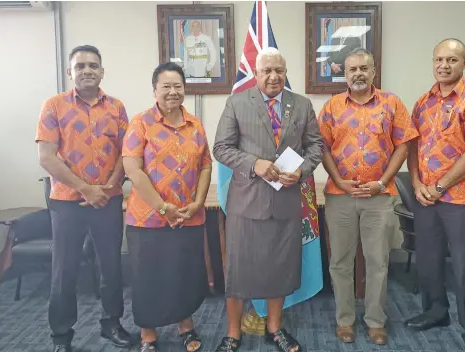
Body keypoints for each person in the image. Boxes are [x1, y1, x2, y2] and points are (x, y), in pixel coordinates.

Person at [212, 47, 323, 352]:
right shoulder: (236, 102)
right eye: (267, 71)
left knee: (280, 268)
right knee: (238, 270)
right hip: (246, 204)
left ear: (285, 73)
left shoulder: (301, 105)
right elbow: (221, 148)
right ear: (256, 74)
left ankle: (275, 327)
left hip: (286, 201)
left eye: (279, 71)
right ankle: (233, 332)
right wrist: (254, 164)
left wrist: (301, 171)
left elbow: (316, 147)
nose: (274, 76)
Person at [318, 47, 419, 345]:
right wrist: (338, 181)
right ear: (344, 74)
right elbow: (321, 146)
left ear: (374, 71)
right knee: (340, 262)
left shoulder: (392, 104)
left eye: (364, 68)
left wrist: (382, 181)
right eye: (353, 69)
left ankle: (376, 321)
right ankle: (345, 321)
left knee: (378, 261)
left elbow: (404, 144)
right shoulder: (332, 106)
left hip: (378, 196)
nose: (359, 73)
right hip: (340, 196)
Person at [35, 45, 132, 352]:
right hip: (67, 203)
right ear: (70, 72)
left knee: (111, 266)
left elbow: (126, 154)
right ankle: (61, 336)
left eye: (93, 65)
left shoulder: (116, 107)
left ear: (102, 71)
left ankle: (111, 323)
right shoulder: (53, 106)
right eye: (80, 66)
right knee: (64, 270)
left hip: (108, 199)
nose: (87, 70)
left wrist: (108, 186)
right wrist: (86, 188)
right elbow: (47, 158)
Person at [405, 38, 465, 352]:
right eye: (439, 59)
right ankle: (435, 311)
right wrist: (416, 184)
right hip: (426, 197)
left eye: (452, 60)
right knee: (429, 260)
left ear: (464, 64)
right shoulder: (423, 102)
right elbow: (412, 145)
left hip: (462, 200)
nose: (444, 65)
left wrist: (440, 186)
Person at [122, 62, 212, 352]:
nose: (173, 92)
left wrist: (198, 202)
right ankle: (148, 334)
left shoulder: (195, 124)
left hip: (187, 215)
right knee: (147, 274)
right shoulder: (141, 122)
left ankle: (186, 326)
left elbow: (206, 166)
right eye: (166, 86)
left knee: (183, 272)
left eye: (178, 86)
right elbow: (133, 170)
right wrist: (163, 207)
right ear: (154, 90)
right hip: (147, 218)